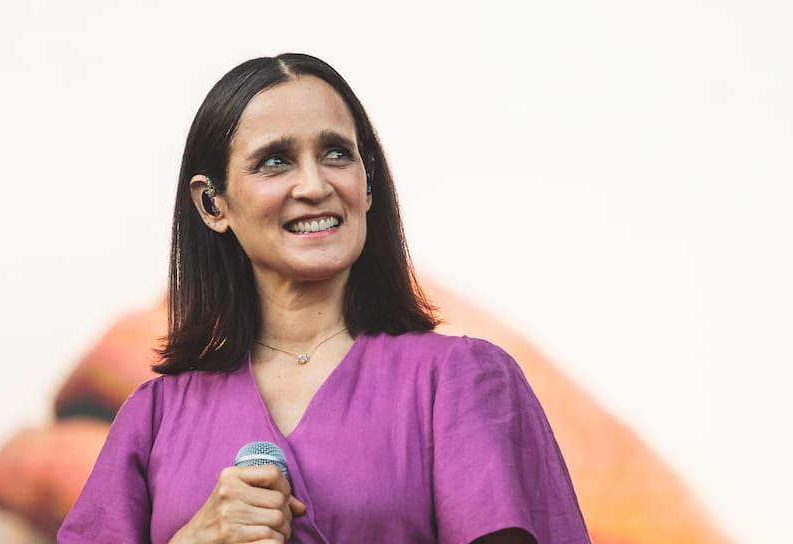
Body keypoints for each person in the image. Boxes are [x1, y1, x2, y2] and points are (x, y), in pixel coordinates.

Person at [56, 53, 589, 543]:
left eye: (336, 153)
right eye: (274, 161)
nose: (314, 185)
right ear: (212, 203)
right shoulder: (153, 418)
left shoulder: (459, 380)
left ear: (368, 181)